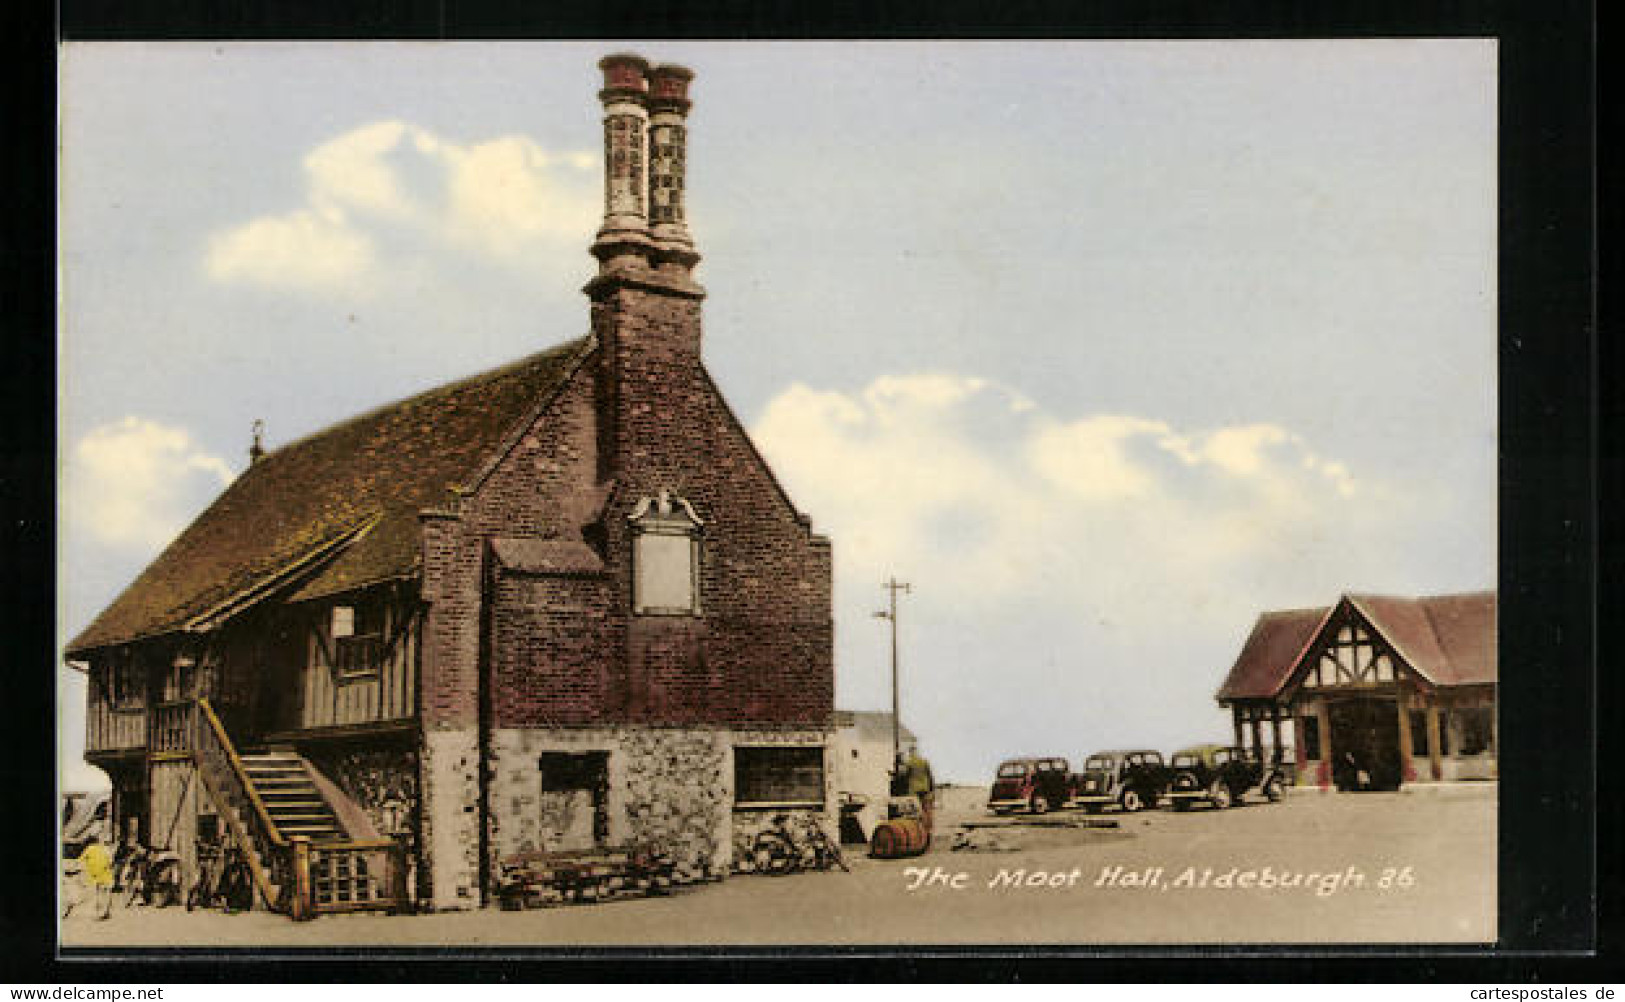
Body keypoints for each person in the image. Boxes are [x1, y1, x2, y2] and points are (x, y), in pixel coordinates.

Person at [76, 832, 115, 920]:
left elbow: (80, 859)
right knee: (107, 892)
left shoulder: (89, 848)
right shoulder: (105, 849)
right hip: (105, 873)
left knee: (97, 893)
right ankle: (106, 912)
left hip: (94, 874)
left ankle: (99, 912)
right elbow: (110, 861)